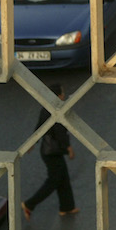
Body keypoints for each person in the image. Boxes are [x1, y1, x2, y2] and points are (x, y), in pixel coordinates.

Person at [23, 83, 78, 218]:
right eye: (62, 93)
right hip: (53, 152)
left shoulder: (46, 109)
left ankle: (67, 207)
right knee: (54, 181)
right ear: (57, 96)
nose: (64, 95)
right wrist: (68, 147)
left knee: (63, 178)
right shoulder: (55, 111)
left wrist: (33, 142)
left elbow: (39, 127)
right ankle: (30, 204)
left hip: (49, 151)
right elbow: (60, 132)